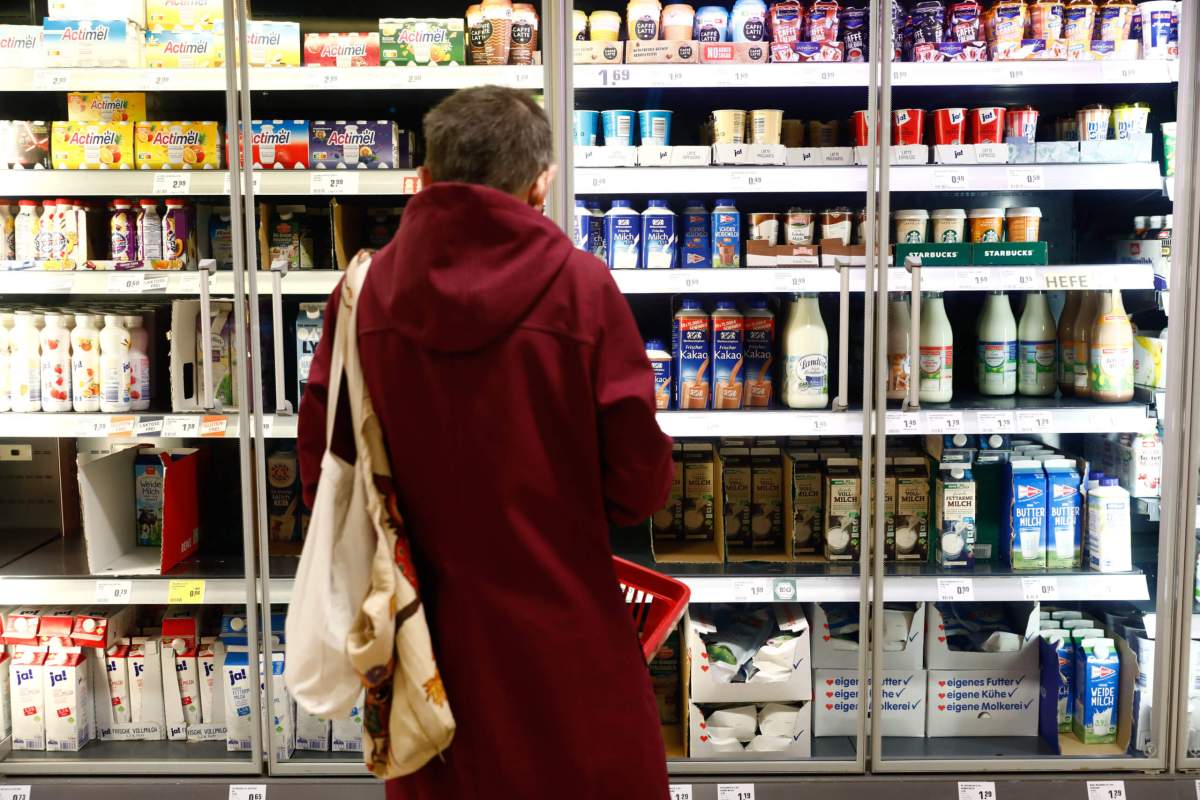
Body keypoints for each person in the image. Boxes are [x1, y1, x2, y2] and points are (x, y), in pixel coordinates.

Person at [297, 85, 675, 799]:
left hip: (425, 658)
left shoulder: (361, 295)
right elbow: (637, 489)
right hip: (568, 651)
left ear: (428, 179)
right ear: (539, 185)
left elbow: (325, 477)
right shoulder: (584, 290)